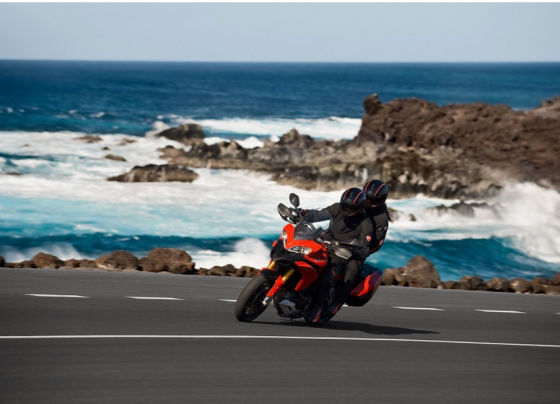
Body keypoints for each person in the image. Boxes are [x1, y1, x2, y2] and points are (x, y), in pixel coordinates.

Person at [301, 187, 373, 323]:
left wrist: (350, 251)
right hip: (324, 243)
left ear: (360, 207)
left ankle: (316, 308)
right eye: (346, 206)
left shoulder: (365, 223)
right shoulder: (336, 208)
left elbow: (364, 250)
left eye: (352, 208)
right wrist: (302, 212)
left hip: (341, 254)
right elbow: (320, 214)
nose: (348, 210)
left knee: (327, 276)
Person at [362, 179, 391, 256]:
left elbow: (376, 245)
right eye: (366, 197)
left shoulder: (382, 218)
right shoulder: (359, 203)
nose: (367, 201)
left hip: (356, 253)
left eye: (370, 200)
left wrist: (358, 253)